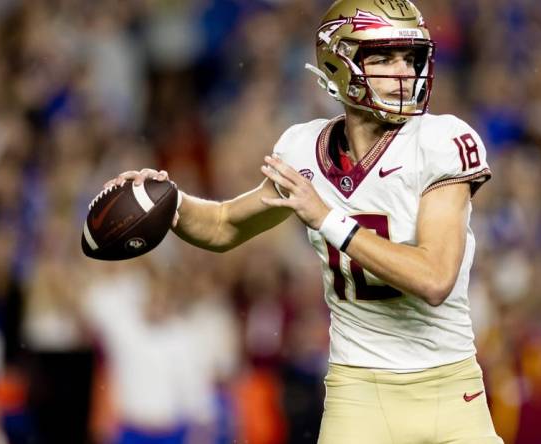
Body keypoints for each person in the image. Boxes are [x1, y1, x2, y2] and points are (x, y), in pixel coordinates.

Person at [105, 0, 502, 442]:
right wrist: (168, 204)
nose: (405, 72)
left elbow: (434, 278)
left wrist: (329, 219)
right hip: (359, 394)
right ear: (339, 62)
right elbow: (222, 225)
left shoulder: (442, 140)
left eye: (410, 58)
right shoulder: (302, 149)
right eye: (385, 57)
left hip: (447, 388)